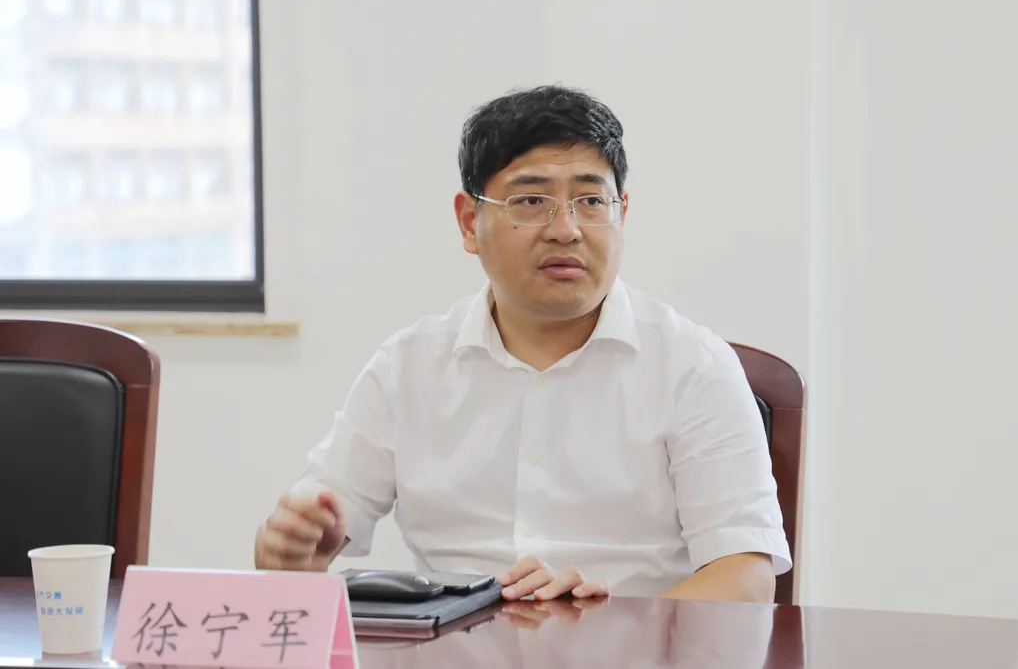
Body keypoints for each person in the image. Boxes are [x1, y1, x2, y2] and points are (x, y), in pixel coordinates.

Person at [254, 85, 791, 603]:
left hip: (635, 648)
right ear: (470, 222)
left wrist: (615, 634)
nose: (566, 229)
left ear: (621, 215)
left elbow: (744, 579)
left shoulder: (694, 368)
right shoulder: (408, 367)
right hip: (453, 647)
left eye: (591, 200)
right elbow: (304, 541)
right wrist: (292, 550)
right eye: (531, 200)